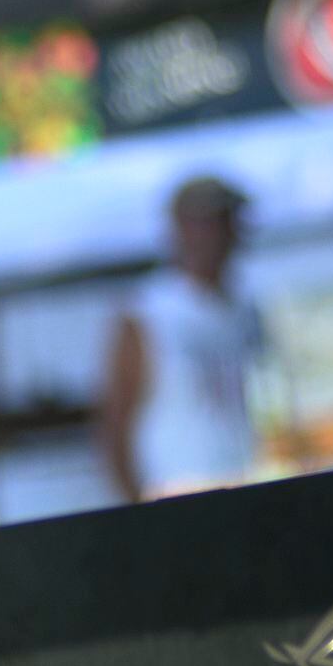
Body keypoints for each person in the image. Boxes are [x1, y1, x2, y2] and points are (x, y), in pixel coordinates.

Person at [95, 175, 264, 504]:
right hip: (181, 498)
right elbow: (113, 426)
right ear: (180, 230)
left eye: (225, 222)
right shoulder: (147, 313)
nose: (217, 235)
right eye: (205, 223)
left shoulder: (245, 311)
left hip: (250, 485)